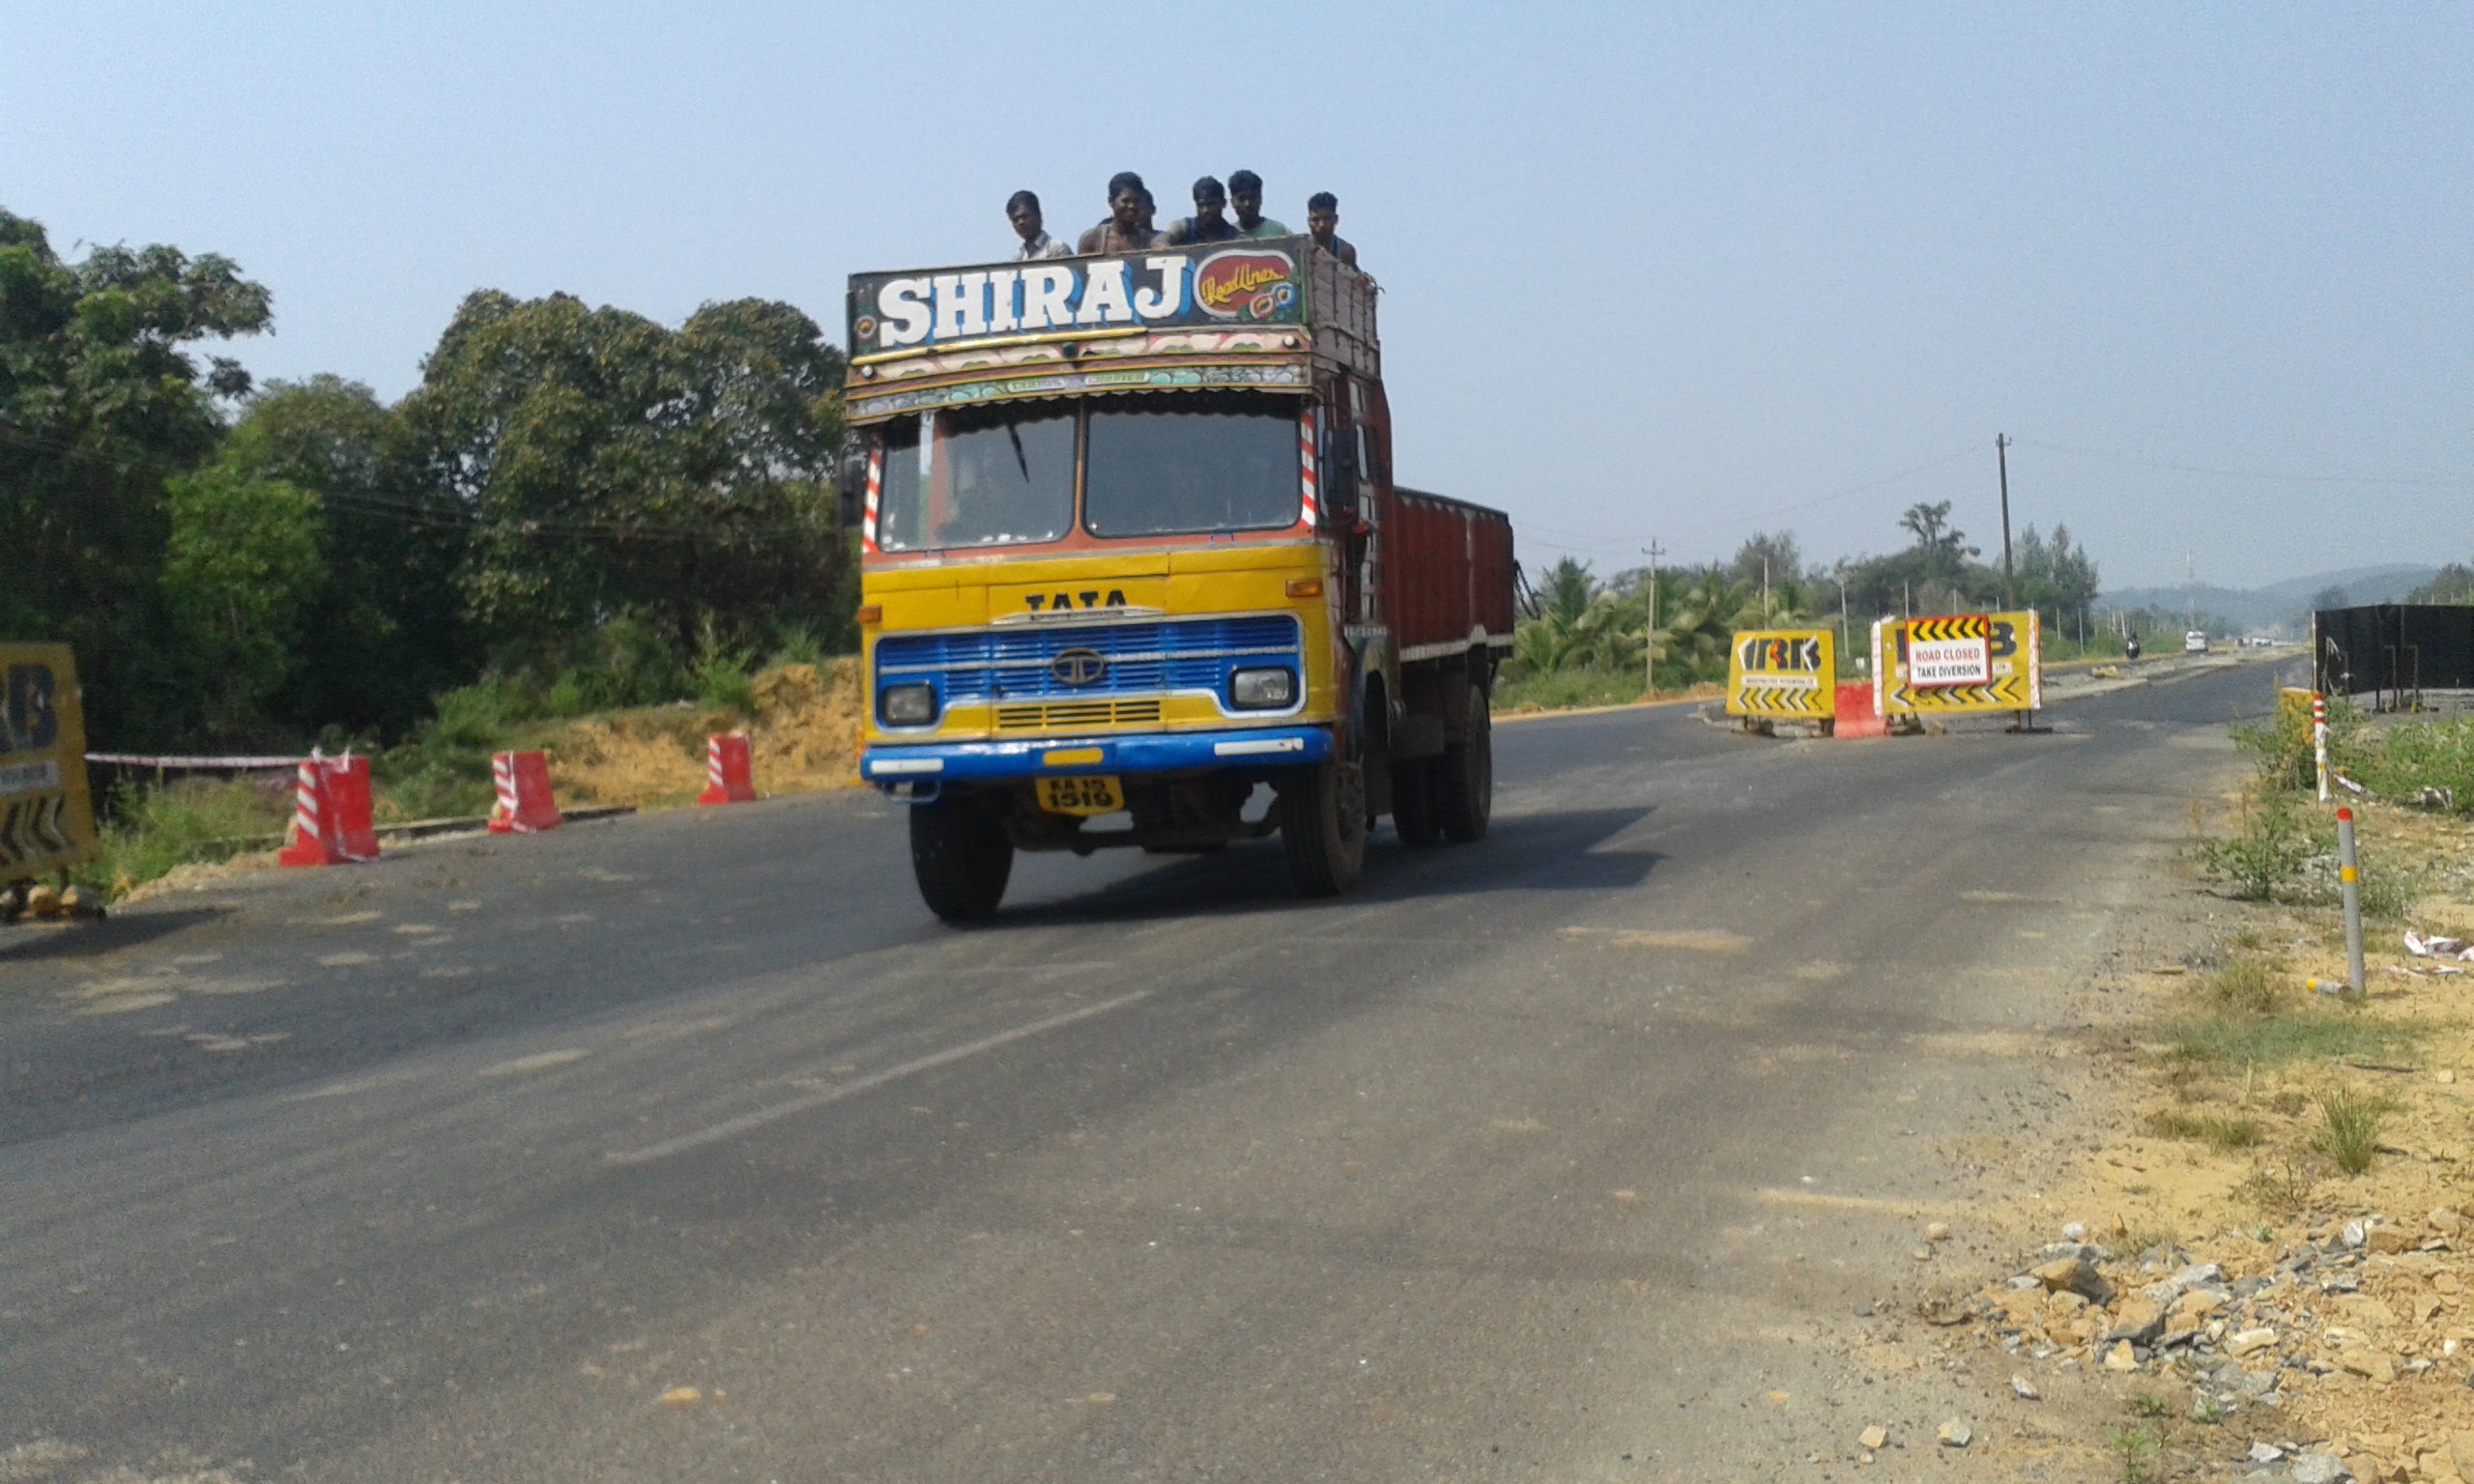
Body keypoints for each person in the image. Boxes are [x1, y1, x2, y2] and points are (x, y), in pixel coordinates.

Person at [1076, 172, 1154, 256]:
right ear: (1111, 201)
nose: (1132, 206)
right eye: (1125, 201)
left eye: (1136, 201)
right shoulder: (1093, 239)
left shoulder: (1150, 241)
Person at [1159, 176, 1239, 245]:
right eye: (1201, 205)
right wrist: (1164, 245)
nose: (1205, 210)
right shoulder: (1184, 228)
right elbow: (1163, 238)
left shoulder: (1235, 237)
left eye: (1211, 204)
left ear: (1224, 203)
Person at [1006, 189, 1072, 261]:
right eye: (1015, 220)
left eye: (1025, 216)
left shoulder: (1057, 250)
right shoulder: (1018, 259)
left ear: (1038, 215)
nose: (1020, 222)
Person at [1228, 170, 1289, 239]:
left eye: (1252, 198)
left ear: (1260, 199)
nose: (1247, 204)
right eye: (1241, 199)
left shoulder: (1280, 231)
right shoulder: (1227, 236)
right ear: (1232, 202)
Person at [1305, 191, 1357, 266]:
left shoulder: (1345, 251)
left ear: (1336, 219)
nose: (1321, 225)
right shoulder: (1301, 251)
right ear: (1309, 221)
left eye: (1326, 219)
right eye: (1316, 220)